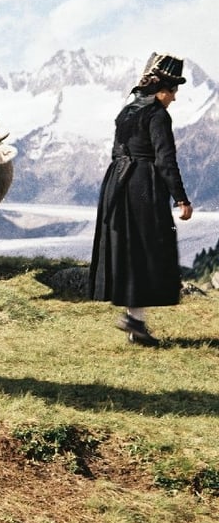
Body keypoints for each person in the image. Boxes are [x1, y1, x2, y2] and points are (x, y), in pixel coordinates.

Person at [90, 53, 193, 347]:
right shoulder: (158, 115)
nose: (173, 98)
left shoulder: (128, 110)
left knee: (129, 249)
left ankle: (135, 321)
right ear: (163, 89)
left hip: (116, 182)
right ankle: (135, 320)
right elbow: (165, 161)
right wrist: (181, 198)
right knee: (149, 248)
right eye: (173, 91)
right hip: (142, 184)